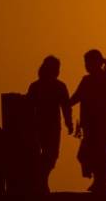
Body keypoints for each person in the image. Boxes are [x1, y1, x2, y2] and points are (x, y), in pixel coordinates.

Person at [69, 49, 106, 193]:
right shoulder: (90, 80)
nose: (86, 65)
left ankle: (101, 183)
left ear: (96, 63)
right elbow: (76, 97)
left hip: (104, 125)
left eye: (88, 62)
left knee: (99, 154)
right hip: (92, 125)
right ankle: (101, 182)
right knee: (93, 154)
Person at [25, 55, 72, 190]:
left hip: (49, 126)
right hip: (42, 126)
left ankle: (41, 180)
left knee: (50, 157)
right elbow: (28, 106)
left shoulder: (56, 86)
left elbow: (65, 106)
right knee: (48, 156)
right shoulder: (39, 86)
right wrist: (69, 123)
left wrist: (69, 123)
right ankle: (41, 182)